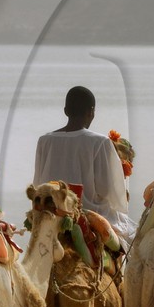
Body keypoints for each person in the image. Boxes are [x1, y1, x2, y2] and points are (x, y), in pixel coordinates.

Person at [33, 86, 136, 240]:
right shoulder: (100, 142)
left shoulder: (45, 141)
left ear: (66, 111)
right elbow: (108, 190)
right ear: (91, 111)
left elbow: (38, 184)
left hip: (51, 215)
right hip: (91, 216)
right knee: (133, 235)